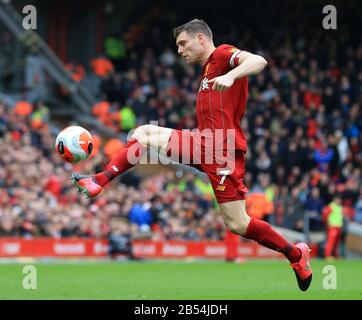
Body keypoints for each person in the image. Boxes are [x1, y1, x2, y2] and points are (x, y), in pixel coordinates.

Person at [71, 19, 312, 291]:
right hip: (202, 142)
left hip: (222, 149)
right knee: (142, 135)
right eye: (177, 46)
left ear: (200, 38)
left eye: (183, 43)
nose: (179, 50)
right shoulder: (207, 71)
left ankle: (295, 254)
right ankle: (98, 181)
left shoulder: (222, 56)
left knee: (237, 223)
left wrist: (231, 75)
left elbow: (259, 61)